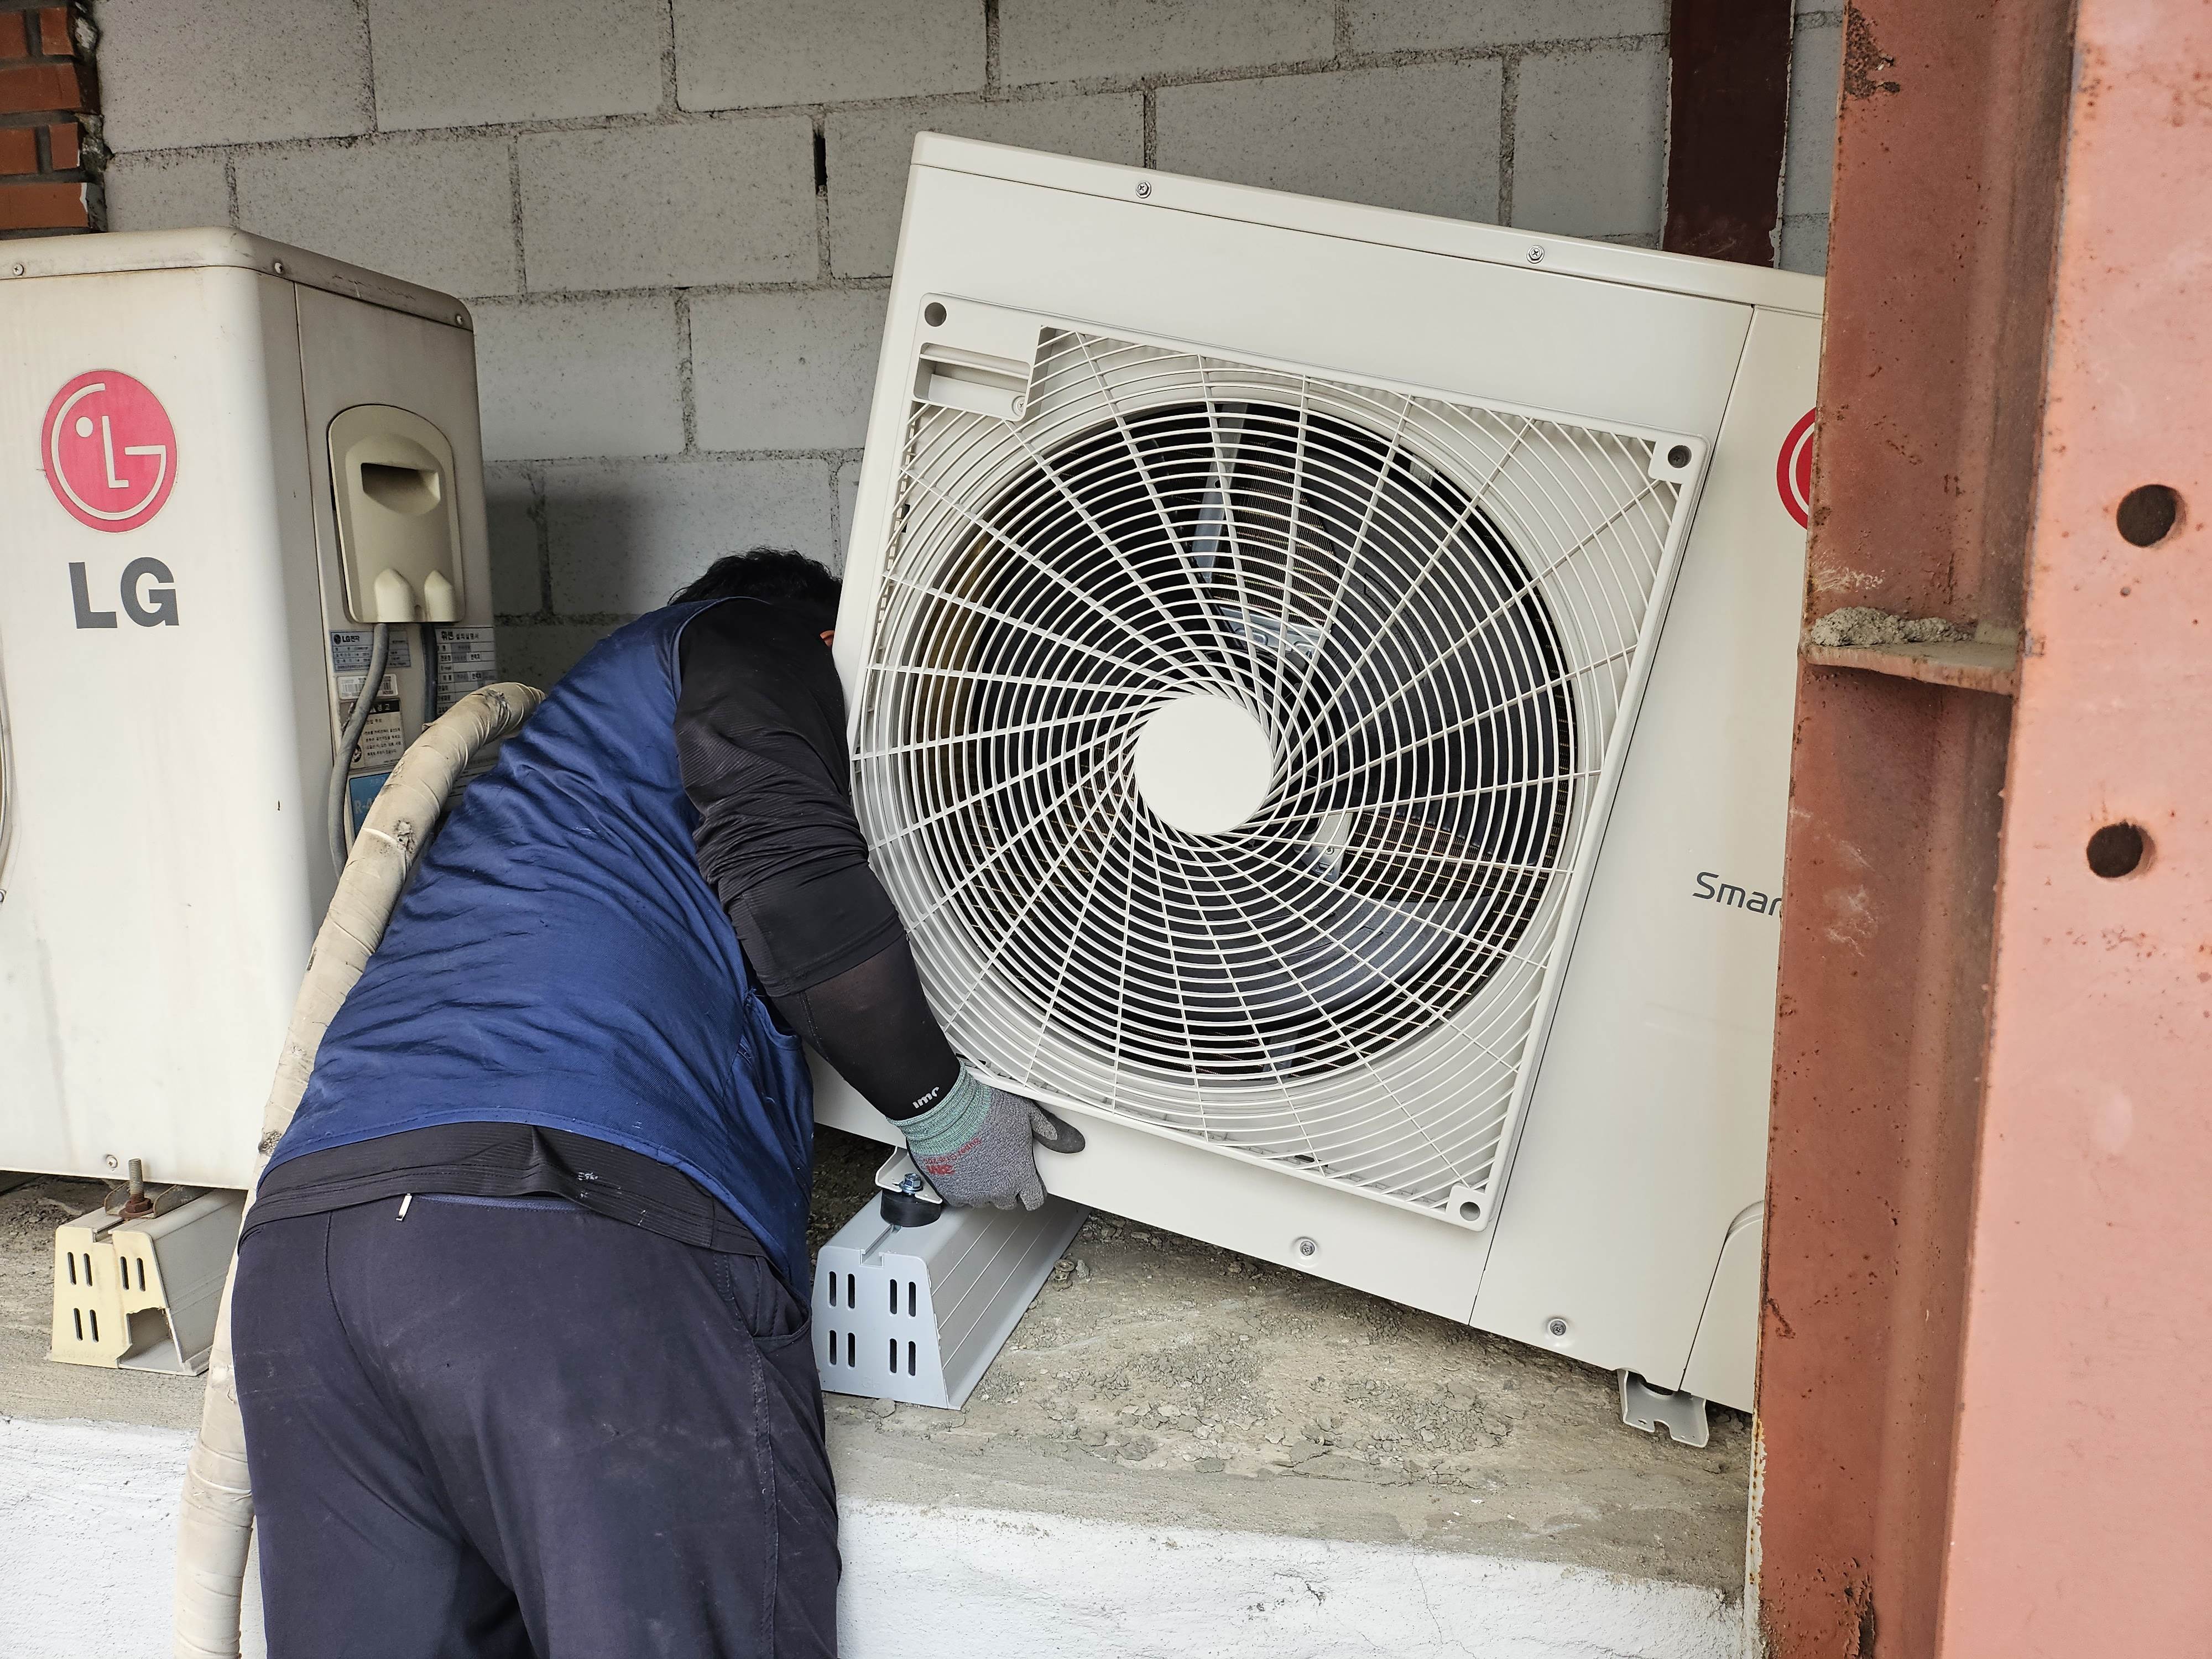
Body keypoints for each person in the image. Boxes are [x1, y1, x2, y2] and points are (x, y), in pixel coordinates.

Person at [230, 549, 1084, 1658]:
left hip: (308, 1263)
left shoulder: (555, 797)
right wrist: (944, 1110)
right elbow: (793, 879)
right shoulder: (752, 637)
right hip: (554, 1243)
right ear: (837, 647)